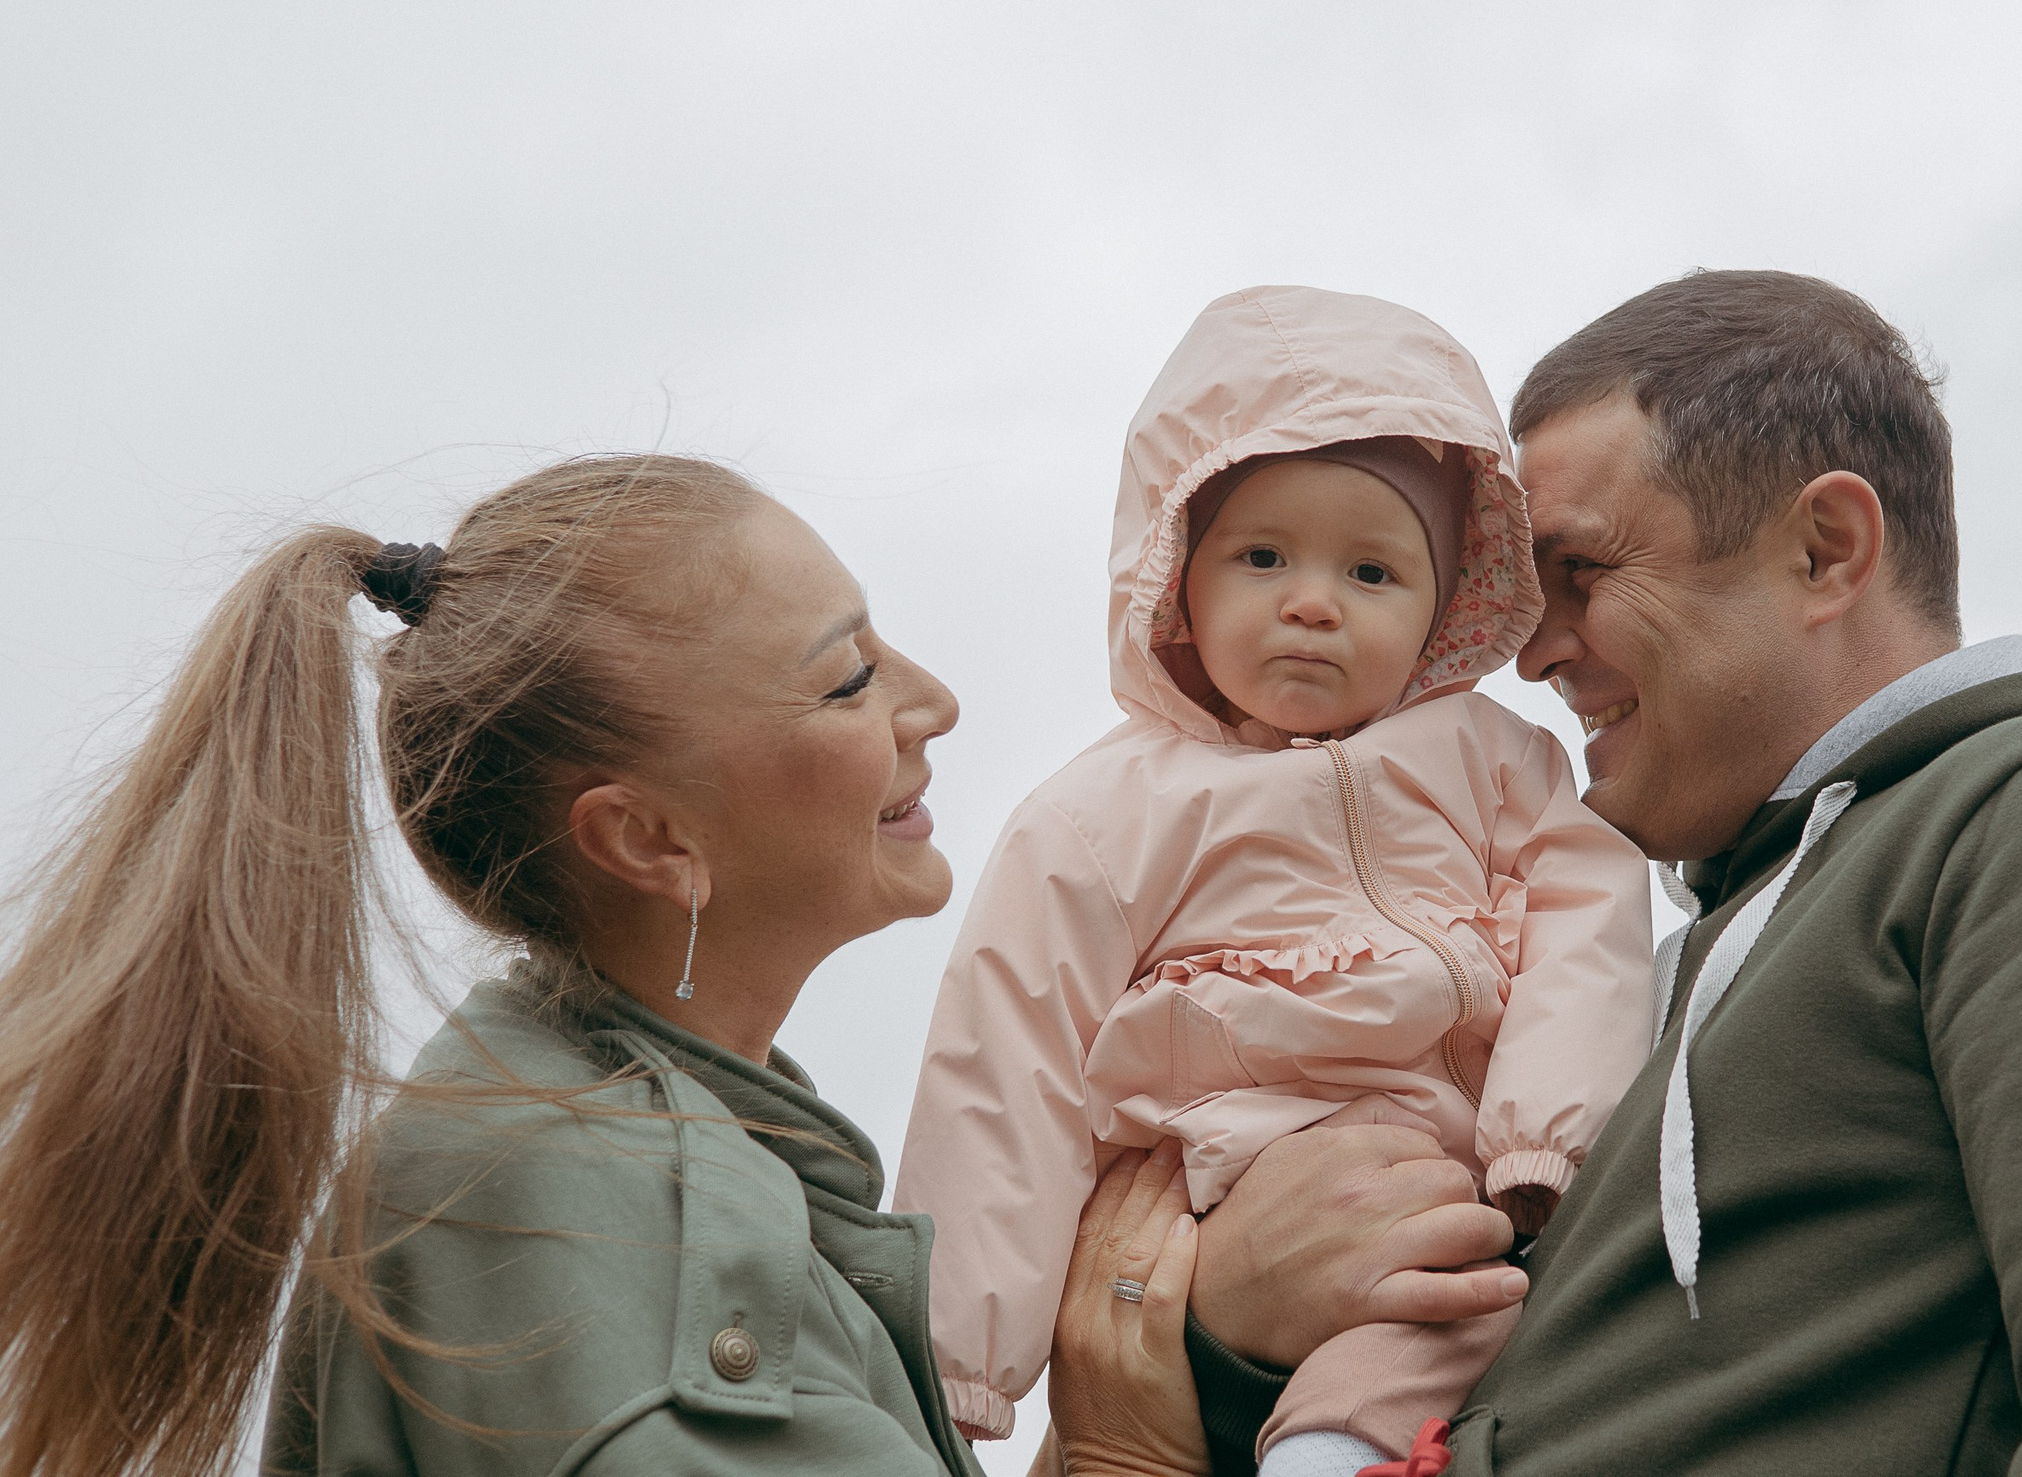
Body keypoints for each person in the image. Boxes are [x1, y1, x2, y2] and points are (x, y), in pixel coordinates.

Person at [1166, 270, 2022, 1475]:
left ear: (1825, 551)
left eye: (1581, 572)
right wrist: (1230, 1332)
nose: (1530, 653)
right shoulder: (1651, 981)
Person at [0, 453, 1188, 1477]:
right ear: (648, 840)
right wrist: (1128, 1446)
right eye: (848, 680)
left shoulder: (579, 1159)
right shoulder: (619, 1234)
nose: (936, 702)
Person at [894, 287, 1654, 1475]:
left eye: (1372, 571)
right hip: (1215, 1190)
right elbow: (1007, 1064)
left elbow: (1587, 930)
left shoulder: (1494, 761)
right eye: (1261, 556)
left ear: (1446, 611)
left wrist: (1545, 1143)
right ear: (1179, 580)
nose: (1311, 600)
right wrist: (955, 1363)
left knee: (1459, 1335)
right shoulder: (1103, 812)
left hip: (1470, 1187)